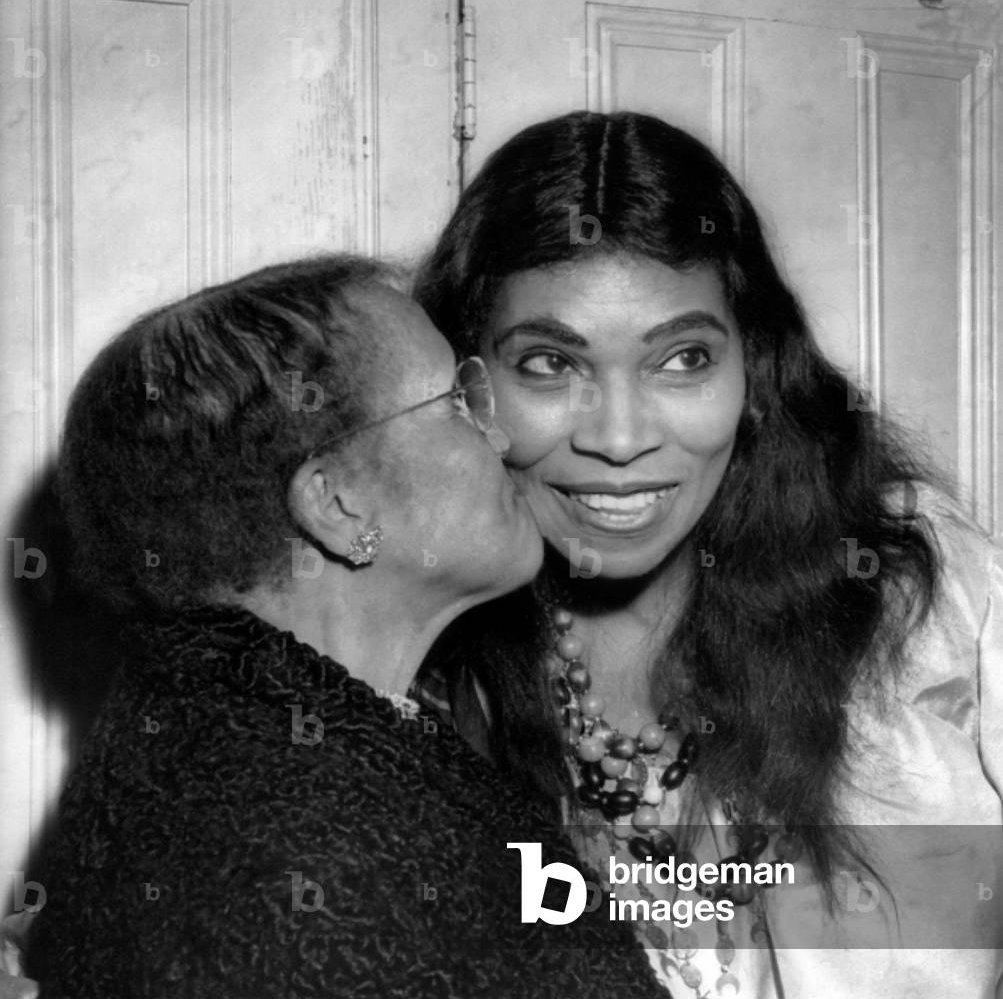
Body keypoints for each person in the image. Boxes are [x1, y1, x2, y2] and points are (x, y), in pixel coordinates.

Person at [413, 111, 1003, 998]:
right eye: (547, 364)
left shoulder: (919, 592)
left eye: (682, 358)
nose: (618, 438)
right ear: (465, 385)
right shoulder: (423, 671)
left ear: (753, 374)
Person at [20, 256, 663, 997]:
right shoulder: (305, 883)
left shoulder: (239, 735)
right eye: (457, 402)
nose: (504, 437)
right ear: (337, 504)